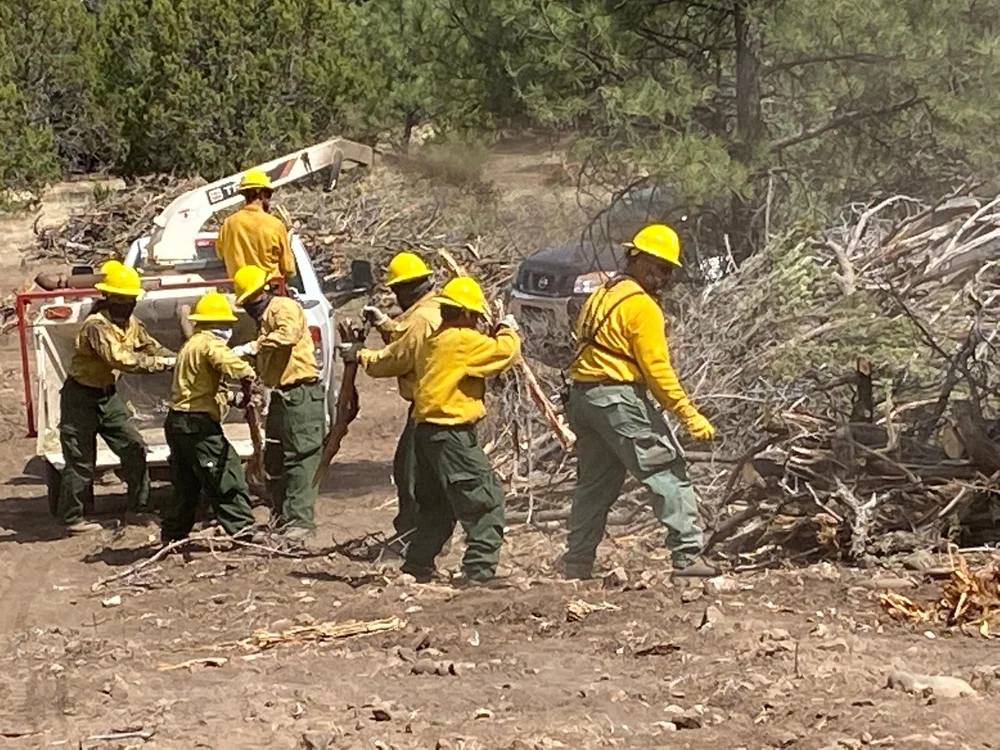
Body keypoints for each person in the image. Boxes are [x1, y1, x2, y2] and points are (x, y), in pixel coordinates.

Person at [561, 223, 718, 579]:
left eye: (668, 271)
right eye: (658, 267)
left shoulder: (604, 293)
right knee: (667, 470)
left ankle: (576, 562)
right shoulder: (643, 307)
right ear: (637, 257)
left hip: (585, 399)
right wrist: (688, 414)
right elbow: (657, 370)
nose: (662, 276)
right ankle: (688, 557)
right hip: (617, 399)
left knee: (595, 484)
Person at [396, 276, 520, 585]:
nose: (477, 322)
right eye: (475, 317)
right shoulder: (462, 339)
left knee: (437, 507)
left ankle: (417, 565)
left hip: (425, 432)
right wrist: (508, 330)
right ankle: (478, 571)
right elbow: (504, 353)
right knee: (485, 501)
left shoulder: (434, 340)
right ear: (465, 314)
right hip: (451, 434)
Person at [57, 264, 175, 534]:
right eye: (122, 300)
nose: (127, 305)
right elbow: (121, 359)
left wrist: (179, 357)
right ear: (109, 298)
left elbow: (150, 346)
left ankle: (139, 508)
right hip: (81, 397)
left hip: (107, 396)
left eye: (130, 300)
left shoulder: (132, 323)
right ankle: (72, 517)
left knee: (134, 447)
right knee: (81, 461)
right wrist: (163, 363)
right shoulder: (96, 326)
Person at [355, 251, 441, 546]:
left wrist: (360, 355)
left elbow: (394, 360)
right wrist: (385, 325)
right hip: (441, 405)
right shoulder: (435, 309)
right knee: (417, 472)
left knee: (412, 475)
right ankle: (421, 537)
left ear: (405, 288)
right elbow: (408, 342)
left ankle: (415, 539)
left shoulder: (421, 319)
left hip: (428, 408)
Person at [232, 265, 323, 540]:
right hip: (281, 396)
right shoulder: (264, 319)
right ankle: (282, 519)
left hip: (301, 394)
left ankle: (300, 523)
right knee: (275, 460)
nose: (251, 306)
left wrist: (253, 347)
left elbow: (288, 335)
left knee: (301, 458)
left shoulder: (283, 307)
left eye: (253, 300)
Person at [161, 292, 260, 543]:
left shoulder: (190, 345)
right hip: (197, 424)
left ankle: (173, 535)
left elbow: (201, 387)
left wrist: (234, 399)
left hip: (178, 421)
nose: (228, 331)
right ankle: (242, 530)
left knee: (186, 483)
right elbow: (229, 363)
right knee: (225, 473)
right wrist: (249, 374)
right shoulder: (208, 343)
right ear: (217, 325)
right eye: (226, 325)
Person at [216, 169, 295, 282]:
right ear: (262, 194)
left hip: (240, 291)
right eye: (268, 194)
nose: (268, 199)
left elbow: (220, 254)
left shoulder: (228, 224)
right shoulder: (275, 225)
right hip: (268, 292)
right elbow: (289, 268)